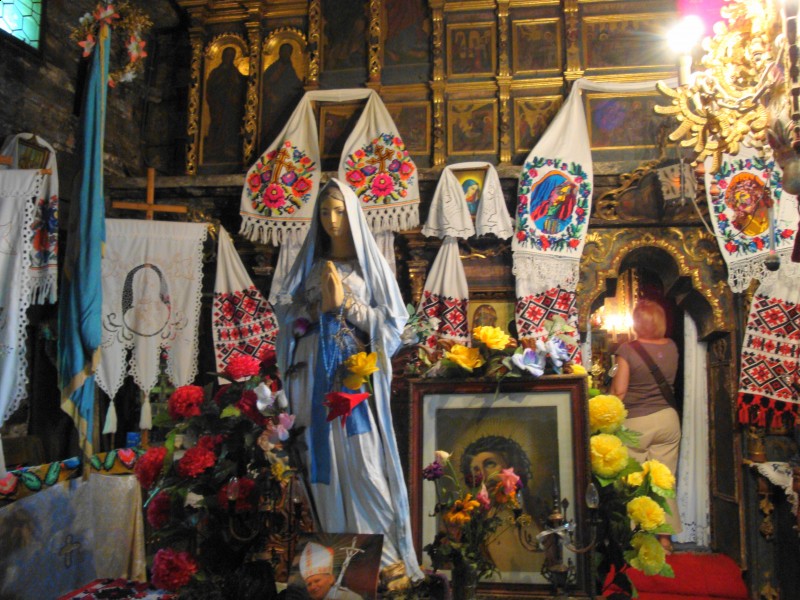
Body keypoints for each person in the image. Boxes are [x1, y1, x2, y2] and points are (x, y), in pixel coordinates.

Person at [275, 179, 423, 582]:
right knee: (317, 460)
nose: (332, 220)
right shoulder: (311, 268)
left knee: (364, 461)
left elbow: (391, 327)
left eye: (339, 211)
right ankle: (333, 566)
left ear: (353, 215)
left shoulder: (368, 268)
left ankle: (385, 559)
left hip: (349, 378)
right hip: (311, 377)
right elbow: (288, 323)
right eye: (325, 212)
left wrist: (347, 305)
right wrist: (307, 311)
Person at [609, 299, 682, 553]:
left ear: (636, 322)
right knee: (664, 480)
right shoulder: (672, 346)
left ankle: (635, 537)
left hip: (636, 422)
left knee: (633, 480)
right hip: (668, 419)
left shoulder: (627, 350)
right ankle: (665, 540)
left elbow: (619, 391)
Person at [459, 435, 547, 573]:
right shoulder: (474, 522)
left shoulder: (537, 511)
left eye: (489, 464)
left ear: (512, 466)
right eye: (476, 470)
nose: (483, 474)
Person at [205, 46, 246, 164]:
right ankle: (214, 149)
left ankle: (229, 148)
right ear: (223, 56)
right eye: (227, 55)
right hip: (219, 105)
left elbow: (241, 86)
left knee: (231, 126)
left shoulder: (235, 72)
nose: (229, 58)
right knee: (217, 124)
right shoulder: (216, 72)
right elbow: (210, 89)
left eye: (231, 56)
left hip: (232, 106)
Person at [298, 542, 362, 600]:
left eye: (317, 581)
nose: (313, 587)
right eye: (309, 584)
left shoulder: (349, 598)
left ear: (331, 579)